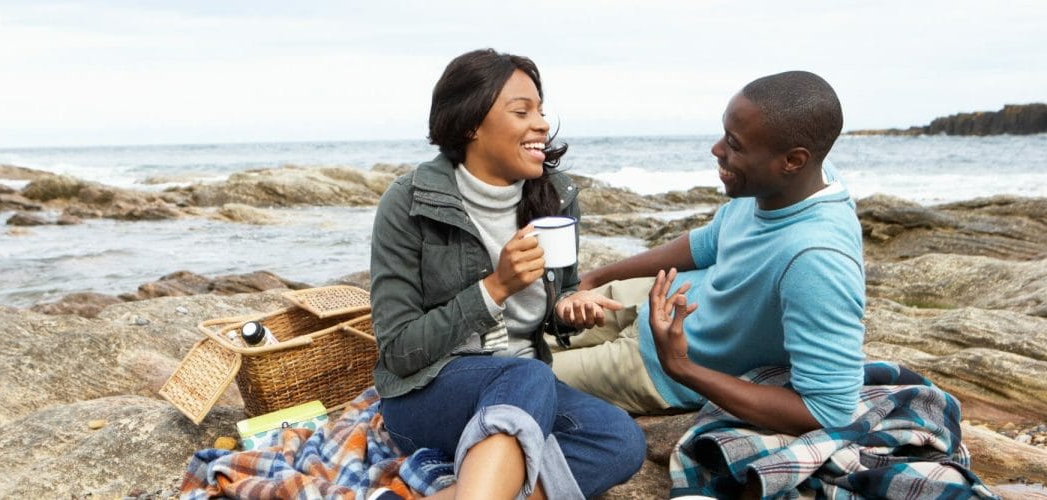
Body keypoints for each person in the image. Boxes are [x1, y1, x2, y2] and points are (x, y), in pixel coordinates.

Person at [370, 48, 646, 499]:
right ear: (470, 124)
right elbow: (399, 351)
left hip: (523, 388)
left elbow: (560, 292)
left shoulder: (557, 196)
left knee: (619, 440)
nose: (541, 123)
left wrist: (568, 308)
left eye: (540, 109)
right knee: (525, 375)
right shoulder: (409, 202)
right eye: (522, 111)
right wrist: (495, 288)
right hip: (426, 396)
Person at [552, 71, 865, 436]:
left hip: (654, 368)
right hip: (658, 298)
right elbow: (707, 243)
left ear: (793, 161)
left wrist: (681, 367)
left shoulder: (817, 260)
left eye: (734, 144)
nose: (717, 150)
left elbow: (829, 410)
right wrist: (598, 277)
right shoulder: (800, 181)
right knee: (515, 328)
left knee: (517, 376)